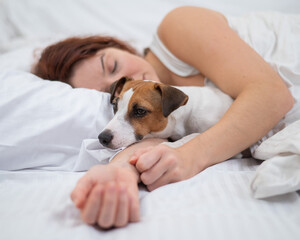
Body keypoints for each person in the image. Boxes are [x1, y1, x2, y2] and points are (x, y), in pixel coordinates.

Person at [33, 6, 297, 229]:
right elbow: (154, 140)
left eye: (112, 65)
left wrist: (191, 155)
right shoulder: (158, 113)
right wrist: (120, 171)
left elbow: (273, 96)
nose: (126, 81)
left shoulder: (177, 26)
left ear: (118, 46)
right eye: (112, 91)